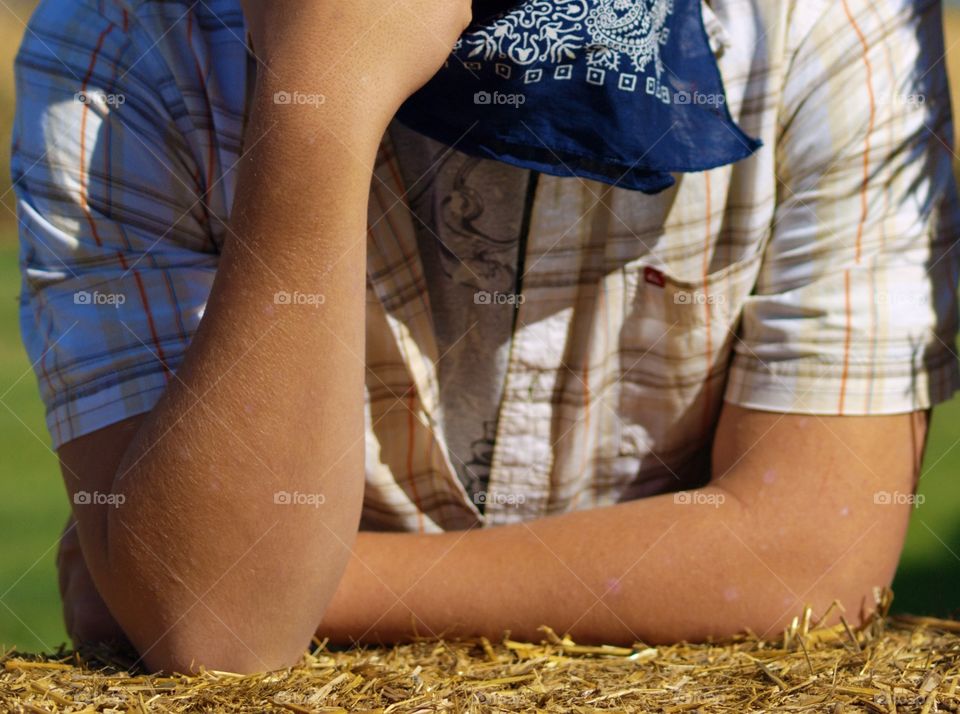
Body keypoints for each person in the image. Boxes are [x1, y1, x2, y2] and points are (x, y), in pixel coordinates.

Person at [12, 0, 958, 674]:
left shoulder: (828, 21)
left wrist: (222, 578)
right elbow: (223, 640)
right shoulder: (128, 39)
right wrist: (320, 98)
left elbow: (810, 560)